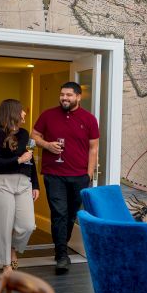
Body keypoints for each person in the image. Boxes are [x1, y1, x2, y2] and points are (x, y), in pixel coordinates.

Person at [31, 82, 99, 274]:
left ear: (78, 97)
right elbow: (33, 136)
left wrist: (89, 173)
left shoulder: (89, 119)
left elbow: (94, 148)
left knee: (70, 215)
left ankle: (62, 245)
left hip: (79, 176)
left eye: (69, 95)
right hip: (54, 175)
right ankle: (61, 254)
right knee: (59, 213)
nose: (64, 98)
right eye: (62, 95)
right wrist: (46, 145)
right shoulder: (48, 115)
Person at [0, 99, 39, 272]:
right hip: (2, 182)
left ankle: (13, 248)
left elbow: (31, 160)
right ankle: (6, 264)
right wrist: (18, 160)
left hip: (24, 183)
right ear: (12, 112)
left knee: (27, 225)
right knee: (3, 225)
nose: (24, 113)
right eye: (22, 110)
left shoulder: (24, 133)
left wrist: (35, 185)